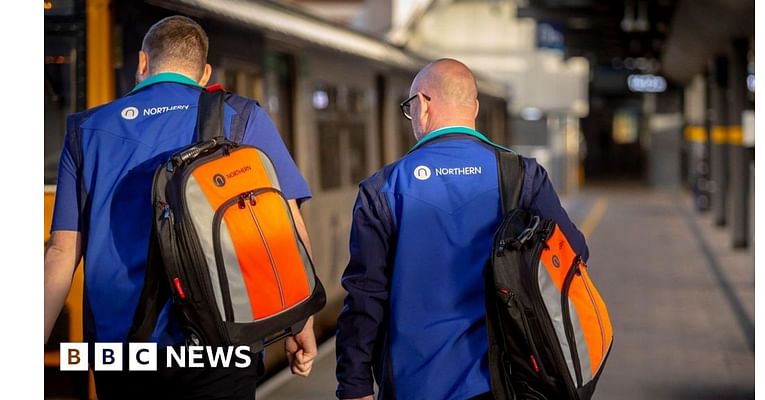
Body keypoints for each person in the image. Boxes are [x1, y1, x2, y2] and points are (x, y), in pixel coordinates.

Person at [44, 15, 317, 399]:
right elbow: (283, 225)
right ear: (204, 73)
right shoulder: (239, 117)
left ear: (143, 64)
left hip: (120, 349)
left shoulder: (85, 130)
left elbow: (61, 250)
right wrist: (298, 322)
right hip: (222, 337)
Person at [335, 59, 589, 400]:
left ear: (423, 104)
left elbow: (365, 296)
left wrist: (355, 385)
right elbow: (574, 256)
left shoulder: (384, 187)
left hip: (414, 385)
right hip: (509, 382)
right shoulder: (522, 176)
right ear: (475, 108)